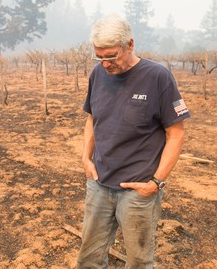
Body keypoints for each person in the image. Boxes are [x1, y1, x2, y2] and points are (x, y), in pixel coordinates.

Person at [77, 14, 190, 269]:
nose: (105, 64)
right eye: (99, 57)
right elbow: (92, 119)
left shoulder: (157, 77)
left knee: (139, 261)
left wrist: (156, 182)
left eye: (111, 56)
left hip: (138, 190)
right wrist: (86, 158)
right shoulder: (98, 74)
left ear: (130, 44)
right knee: (88, 258)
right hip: (100, 184)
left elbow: (176, 133)